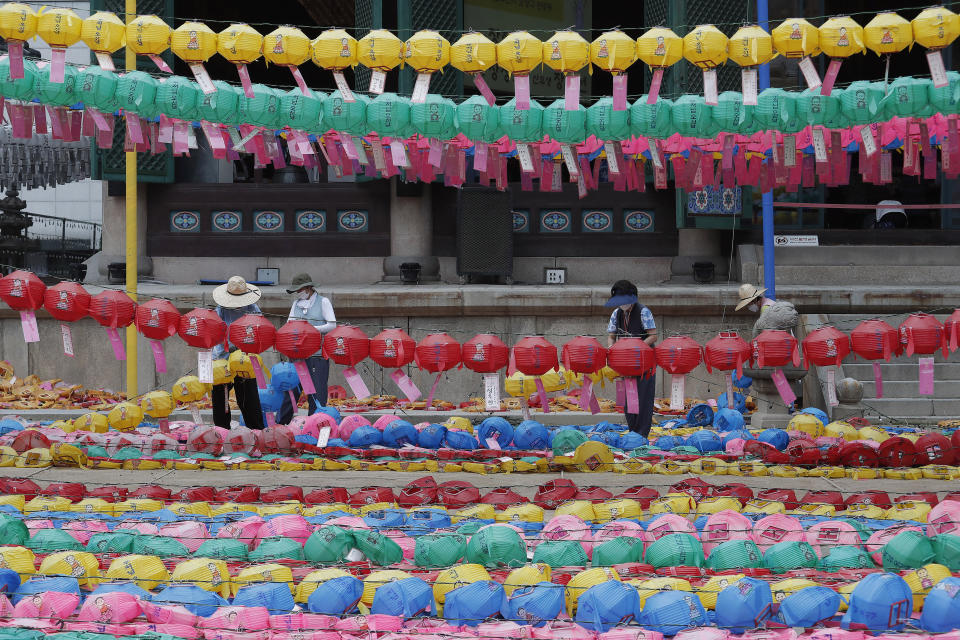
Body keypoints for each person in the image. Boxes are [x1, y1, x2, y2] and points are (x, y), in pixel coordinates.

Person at [276, 273, 337, 423]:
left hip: (317, 356)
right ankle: (282, 423)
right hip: (297, 355)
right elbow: (289, 324)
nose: (298, 293)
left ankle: (315, 424)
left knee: (316, 392)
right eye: (296, 291)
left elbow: (332, 324)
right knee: (290, 390)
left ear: (308, 288)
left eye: (300, 289)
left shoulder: (323, 302)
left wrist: (311, 329)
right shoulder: (296, 304)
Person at [211, 276, 265, 429]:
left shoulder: (253, 308)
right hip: (223, 358)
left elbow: (260, 330)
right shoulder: (220, 309)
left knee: (249, 397)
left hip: (245, 358)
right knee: (221, 396)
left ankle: (255, 429)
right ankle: (221, 430)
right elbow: (214, 332)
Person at [605, 279, 658, 436]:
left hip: (644, 362)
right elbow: (611, 336)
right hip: (626, 363)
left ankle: (642, 434)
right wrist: (611, 348)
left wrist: (637, 348)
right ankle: (632, 431)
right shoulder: (617, 313)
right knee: (629, 399)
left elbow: (653, 336)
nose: (622, 305)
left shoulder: (643, 312)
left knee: (643, 399)